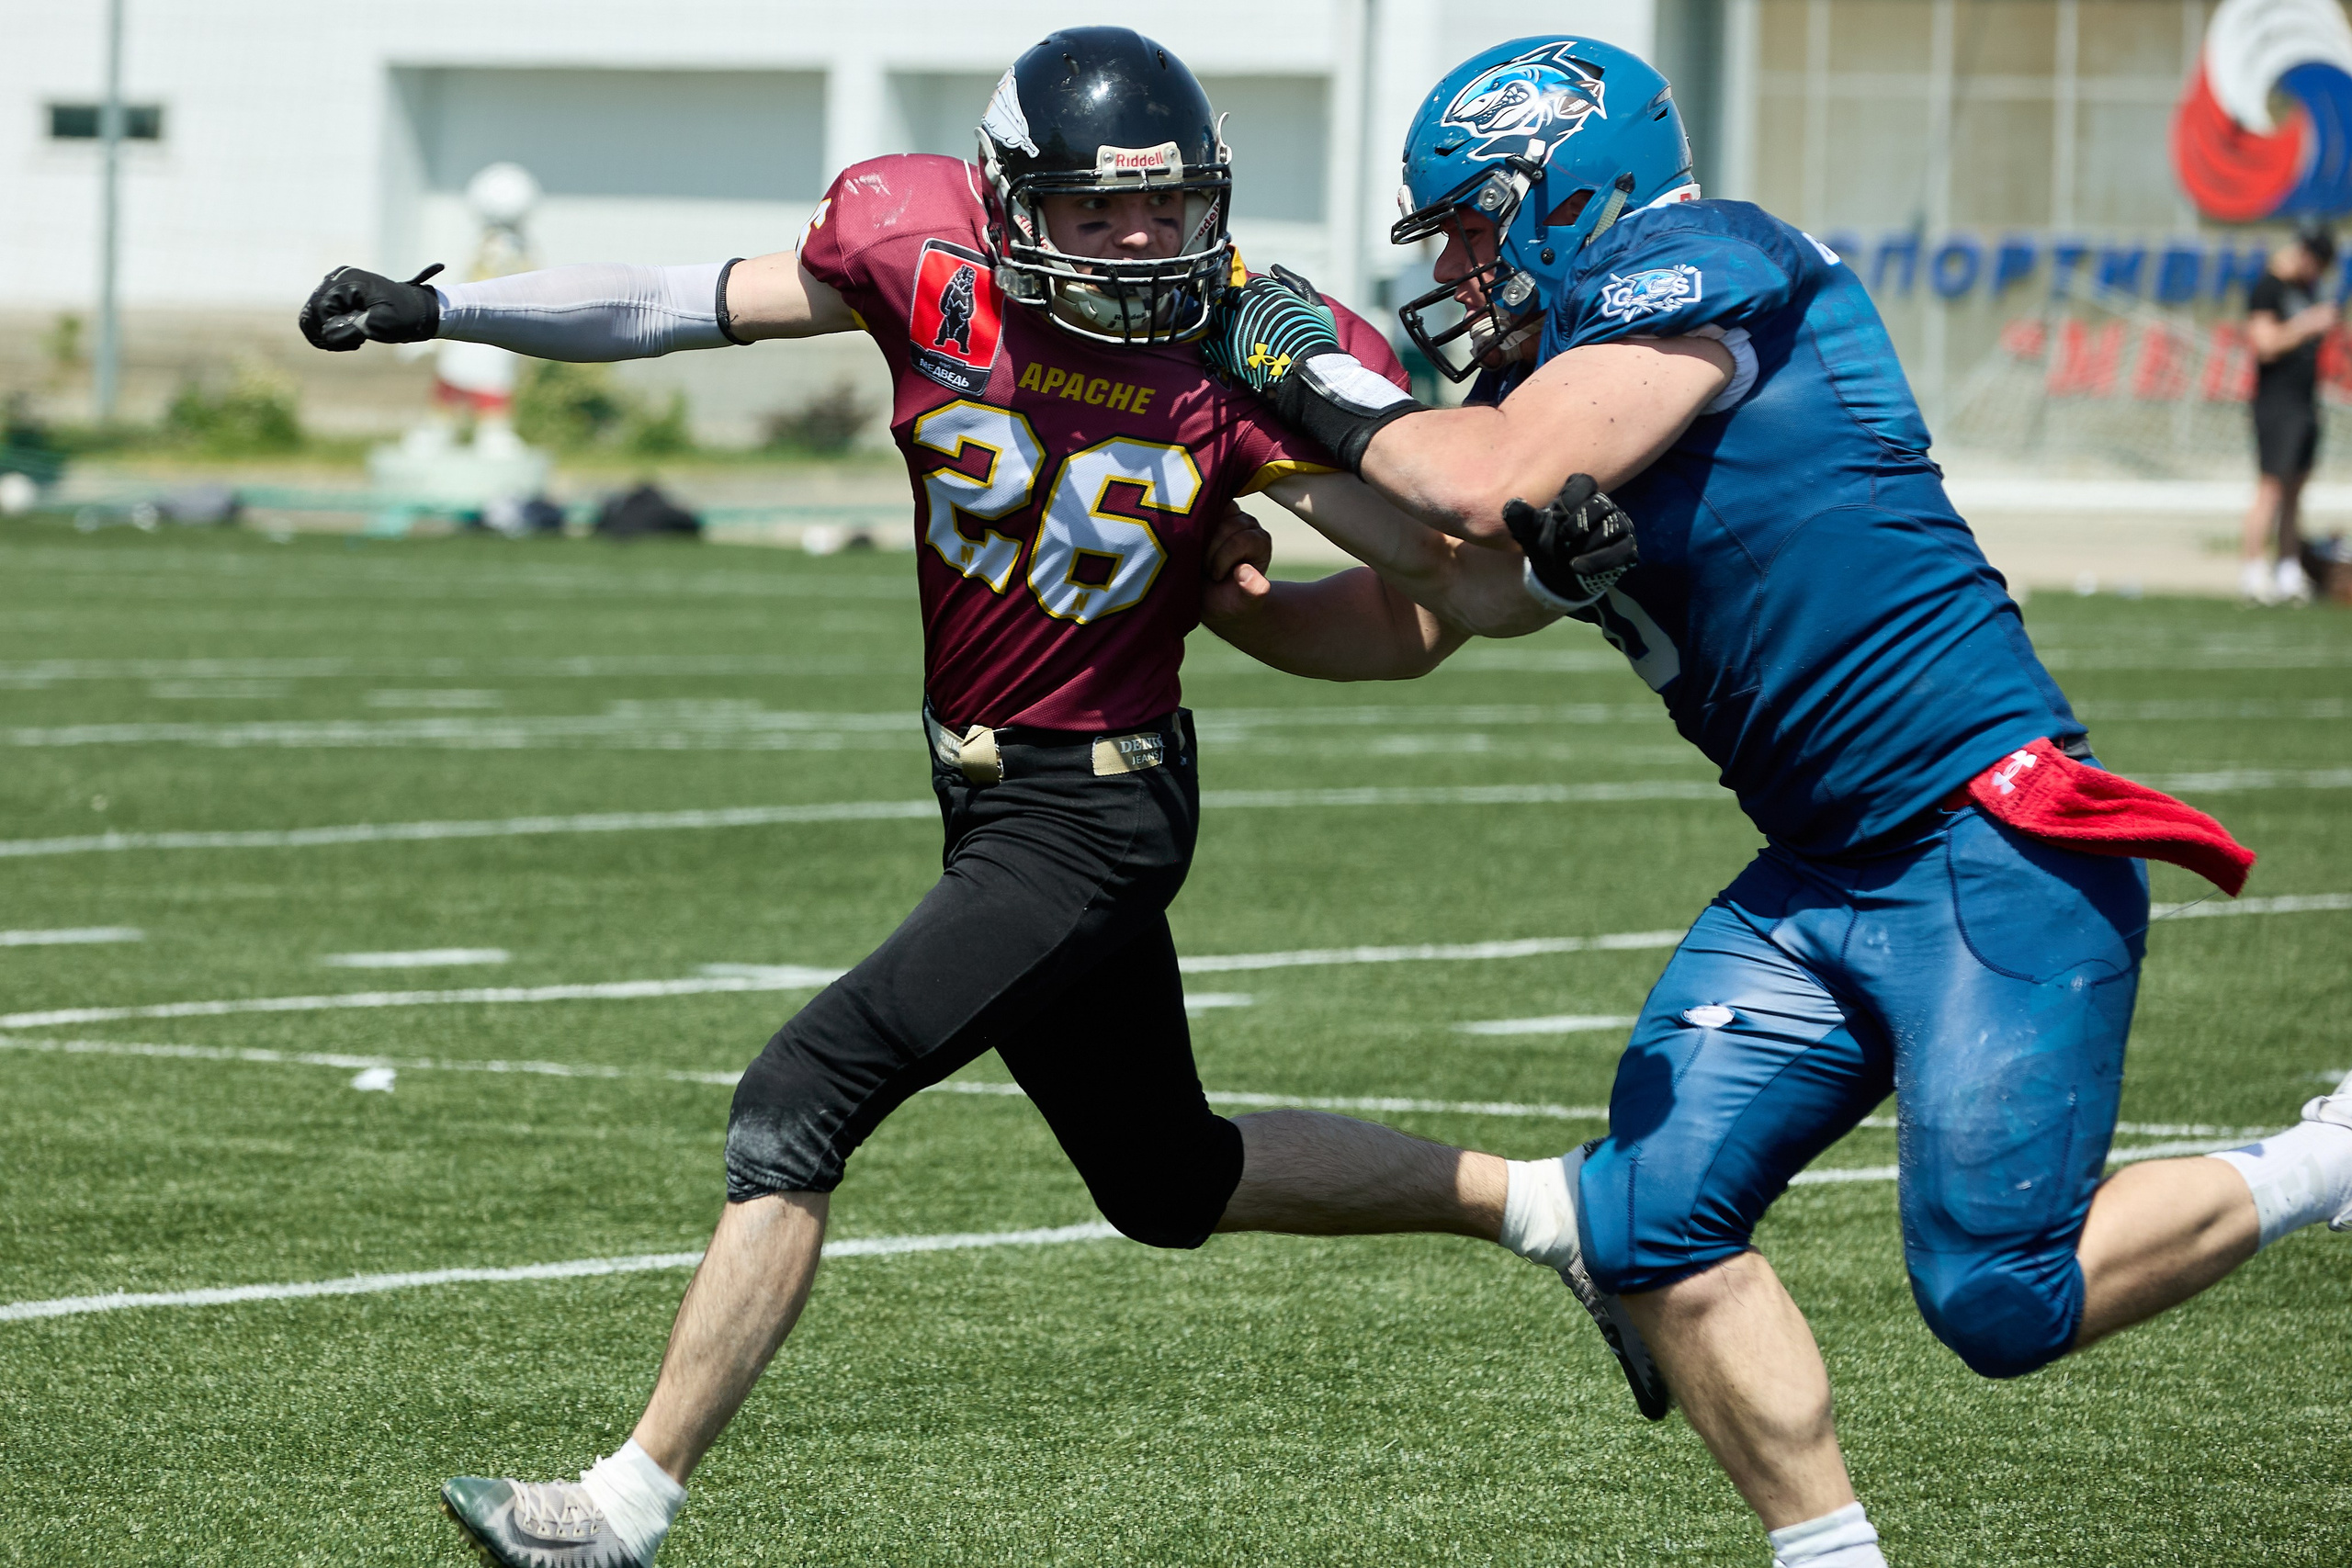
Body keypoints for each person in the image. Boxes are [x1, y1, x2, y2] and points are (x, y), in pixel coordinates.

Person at [300, 28, 1603, 1567]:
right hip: (995, 798)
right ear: (1006, 200)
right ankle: (1559, 1211)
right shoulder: (922, 257)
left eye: (1169, 206)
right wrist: (451, 308)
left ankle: (622, 1505)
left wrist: (1551, 559)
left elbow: (1449, 580)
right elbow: (680, 302)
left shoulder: (1240, 347)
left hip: (1094, 813)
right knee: (1166, 1178)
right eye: (1100, 209)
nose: (1142, 242)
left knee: (801, 1092)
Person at [1199, 34, 2352, 1568]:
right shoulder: (1571, 379)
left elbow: (1477, 484)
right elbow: (1447, 599)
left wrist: (1287, 368)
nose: (1457, 268)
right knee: (1650, 1222)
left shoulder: (1706, 262)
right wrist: (1227, 556)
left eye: (1473, 224)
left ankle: (2333, 1157)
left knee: (1997, 1296)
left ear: (1569, 188)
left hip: (1984, 837)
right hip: (1822, 868)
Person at [2241, 218, 2338, 605]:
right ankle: (2252, 572)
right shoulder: (2268, 288)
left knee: (2296, 490)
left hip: (2304, 400)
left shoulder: (2306, 289)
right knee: (2270, 488)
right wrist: (2307, 324)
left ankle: (2288, 570)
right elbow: (2264, 344)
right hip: (2276, 403)